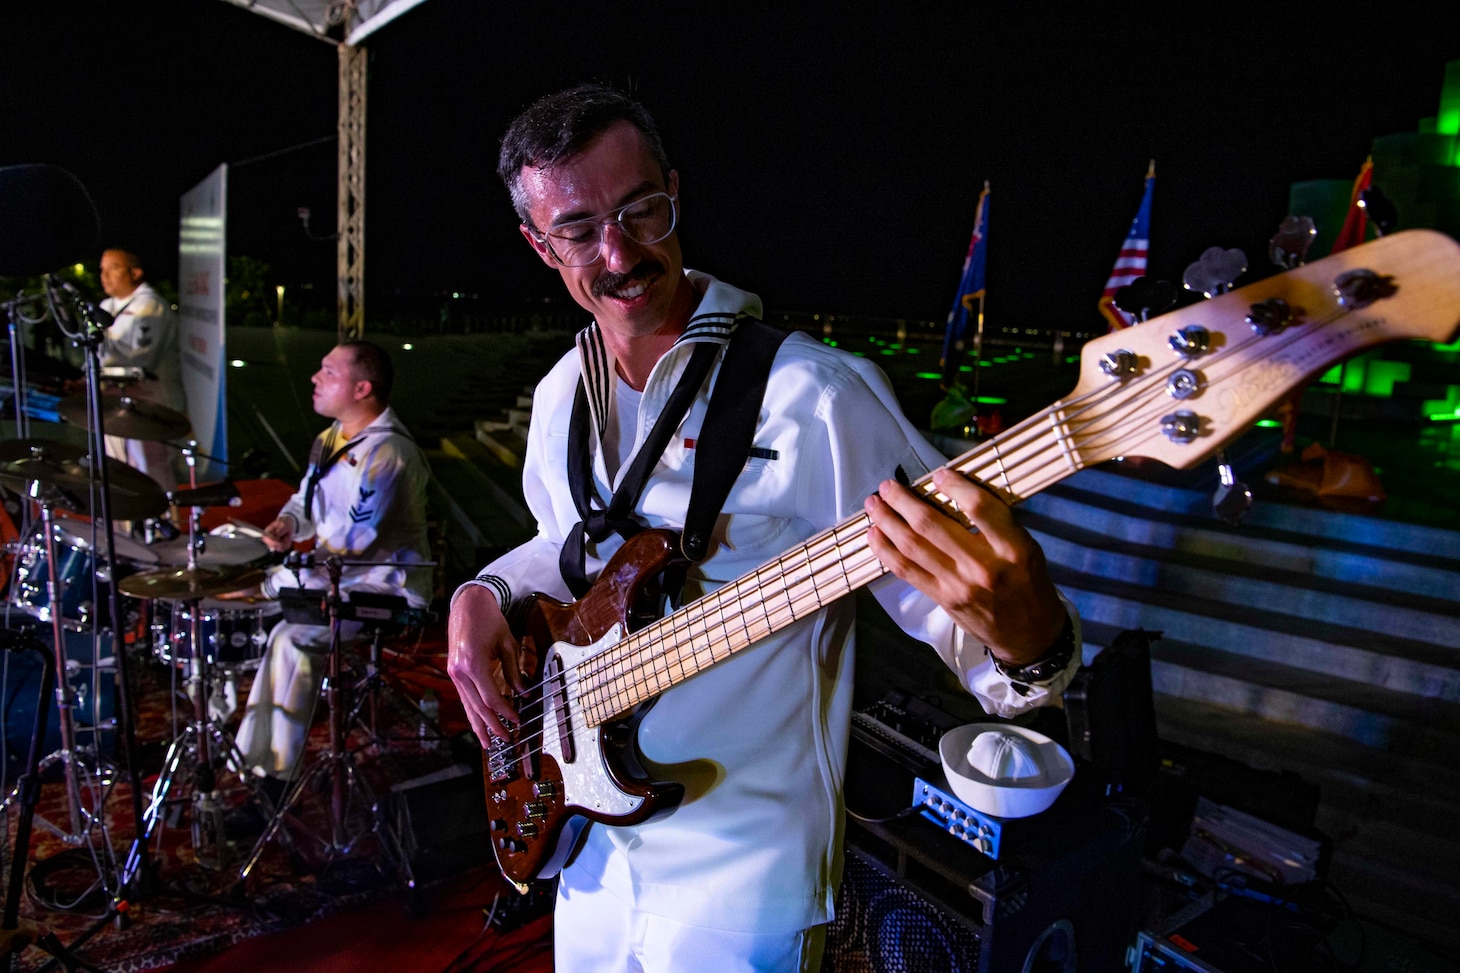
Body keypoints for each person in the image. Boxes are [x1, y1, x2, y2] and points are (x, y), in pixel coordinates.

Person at [446, 85, 1079, 972]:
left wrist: (1028, 638)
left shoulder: (814, 394)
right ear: (539, 246)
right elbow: (569, 546)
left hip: (742, 875)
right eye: (581, 229)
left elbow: (974, 634)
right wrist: (485, 592)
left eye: (641, 210)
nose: (620, 252)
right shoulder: (560, 397)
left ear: (677, 192)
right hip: (592, 846)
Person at [228, 340, 431, 800]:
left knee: (295, 638)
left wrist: (278, 580)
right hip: (343, 575)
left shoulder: (388, 456)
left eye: (327, 372)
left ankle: (274, 778)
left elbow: (352, 547)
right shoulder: (329, 439)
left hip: (388, 588)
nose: (314, 379)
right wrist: (288, 522)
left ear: (362, 388)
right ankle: (255, 766)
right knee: (284, 633)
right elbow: (306, 500)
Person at [97, 247, 187, 492]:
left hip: (151, 405)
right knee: (116, 470)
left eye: (113, 269)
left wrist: (98, 380)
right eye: (102, 269)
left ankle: (160, 526)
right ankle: (125, 528)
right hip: (115, 405)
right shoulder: (106, 306)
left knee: (151, 470)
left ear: (135, 273)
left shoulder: (151, 307)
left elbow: (141, 363)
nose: (105, 276)